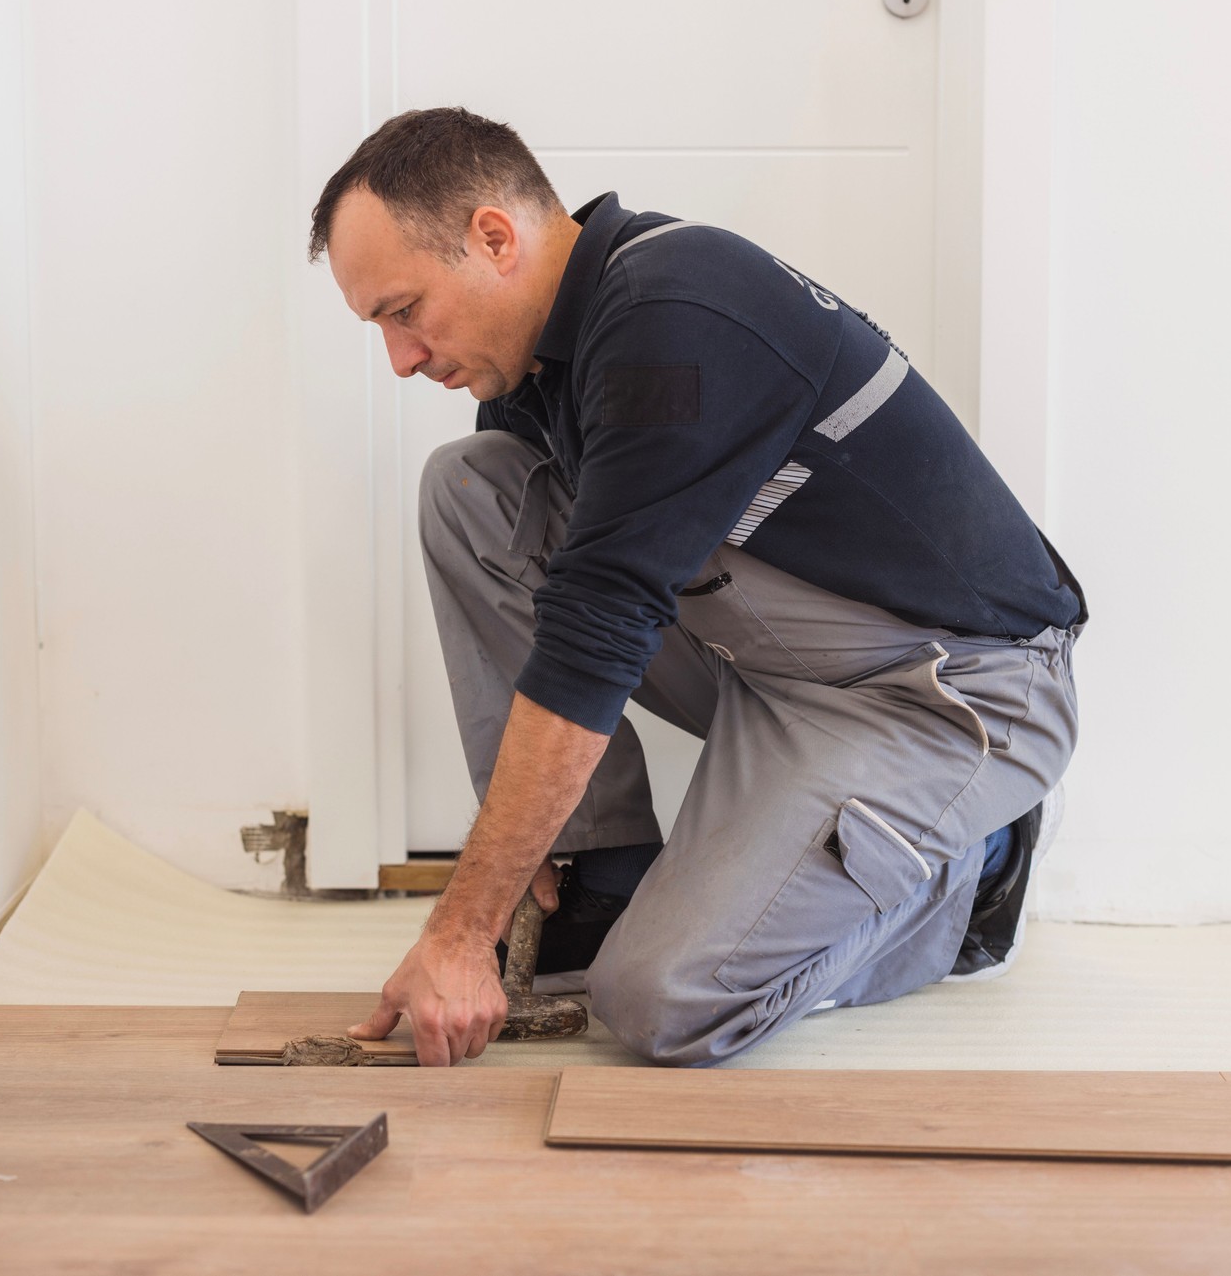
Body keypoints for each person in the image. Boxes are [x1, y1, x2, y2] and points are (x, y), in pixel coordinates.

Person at [309, 107, 1087, 1068]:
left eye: (402, 309)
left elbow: (596, 635)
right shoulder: (542, 357)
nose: (401, 356)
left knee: (659, 1000)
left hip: (944, 693)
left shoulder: (672, 324)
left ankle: (970, 872)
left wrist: (461, 931)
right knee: (471, 488)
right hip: (772, 668)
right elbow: (561, 603)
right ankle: (605, 878)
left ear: (493, 239)